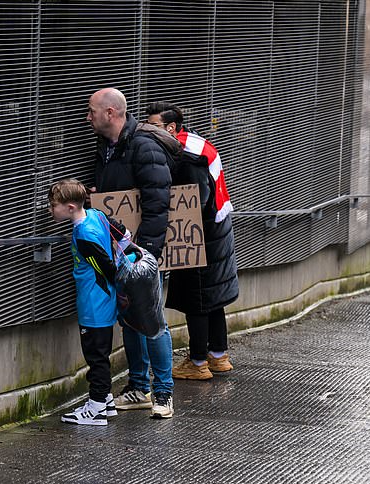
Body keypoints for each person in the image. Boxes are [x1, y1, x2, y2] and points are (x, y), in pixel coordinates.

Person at [88, 87, 177, 419]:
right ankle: (139, 387)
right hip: (120, 251)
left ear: (111, 113)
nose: (88, 117)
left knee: (152, 322)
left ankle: (163, 393)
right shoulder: (109, 146)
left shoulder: (142, 146)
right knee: (130, 321)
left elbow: (157, 203)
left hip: (141, 252)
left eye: (92, 111)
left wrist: (147, 255)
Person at [144, 102, 239, 380]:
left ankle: (197, 362)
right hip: (216, 229)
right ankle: (218, 355)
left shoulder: (185, 156)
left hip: (201, 233)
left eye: (154, 126)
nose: (149, 131)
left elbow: (195, 198)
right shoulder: (194, 143)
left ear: (171, 128)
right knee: (212, 298)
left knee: (196, 297)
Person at [48, 179, 131, 426]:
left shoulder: (85, 235)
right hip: (103, 301)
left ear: (70, 207)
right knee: (100, 353)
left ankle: (95, 409)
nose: (50, 210)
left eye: (54, 205)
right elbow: (124, 234)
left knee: (96, 357)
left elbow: (106, 269)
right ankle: (105, 401)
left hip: (94, 303)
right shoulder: (96, 214)